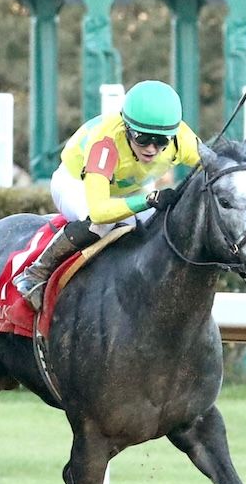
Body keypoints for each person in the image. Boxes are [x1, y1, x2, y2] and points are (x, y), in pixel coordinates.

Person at [13, 79, 202, 311]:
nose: (151, 148)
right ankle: (36, 272)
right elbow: (100, 211)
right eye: (142, 138)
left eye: (161, 141)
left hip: (128, 188)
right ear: (126, 129)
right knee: (99, 225)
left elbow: (216, 168)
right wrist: (148, 200)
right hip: (76, 183)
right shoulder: (105, 142)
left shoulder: (182, 138)